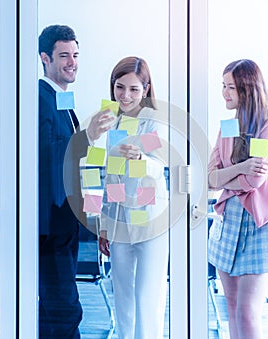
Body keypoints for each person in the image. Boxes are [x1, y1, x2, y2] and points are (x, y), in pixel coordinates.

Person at [38, 24, 114, 338]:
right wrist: (88, 136)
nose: (72, 62)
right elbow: (50, 157)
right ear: (45, 58)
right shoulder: (40, 99)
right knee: (63, 306)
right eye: (64, 55)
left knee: (61, 303)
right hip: (52, 223)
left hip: (65, 220)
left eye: (76, 55)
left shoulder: (62, 99)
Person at [208, 59, 268, 339]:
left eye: (231, 87)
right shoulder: (227, 127)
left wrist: (227, 177)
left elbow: (256, 181)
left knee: (248, 311)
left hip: (257, 225)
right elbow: (210, 179)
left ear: (247, 90)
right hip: (228, 223)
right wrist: (240, 168)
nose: (225, 93)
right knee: (231, 306)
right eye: (223, 86)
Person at [98, 56, 169, 339]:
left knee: (147, 298)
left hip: (150, 219)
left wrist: (140, 157)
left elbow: (158, 165)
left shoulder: (154, 121)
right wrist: (104, 224)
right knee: (123, 297)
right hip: (119, 223)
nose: (125, 95)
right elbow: (110, 175)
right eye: (119, 87)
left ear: (146, 89)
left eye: (134, 89)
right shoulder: (111, 121)